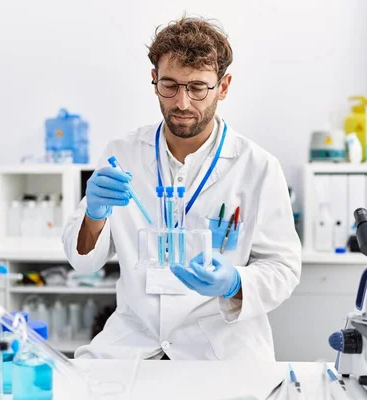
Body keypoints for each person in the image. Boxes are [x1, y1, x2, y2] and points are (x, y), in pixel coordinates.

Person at [63, 16, 301, 361]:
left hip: (220, 350)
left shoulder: (257, 167)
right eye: (170, 85)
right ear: (154, 80)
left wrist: (234, 282)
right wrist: (94, 214)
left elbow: (283, 269)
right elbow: (82, 262)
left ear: (223, 86)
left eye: (198, 87)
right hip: (132, 344)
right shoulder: (122, 154)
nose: (183, 103)